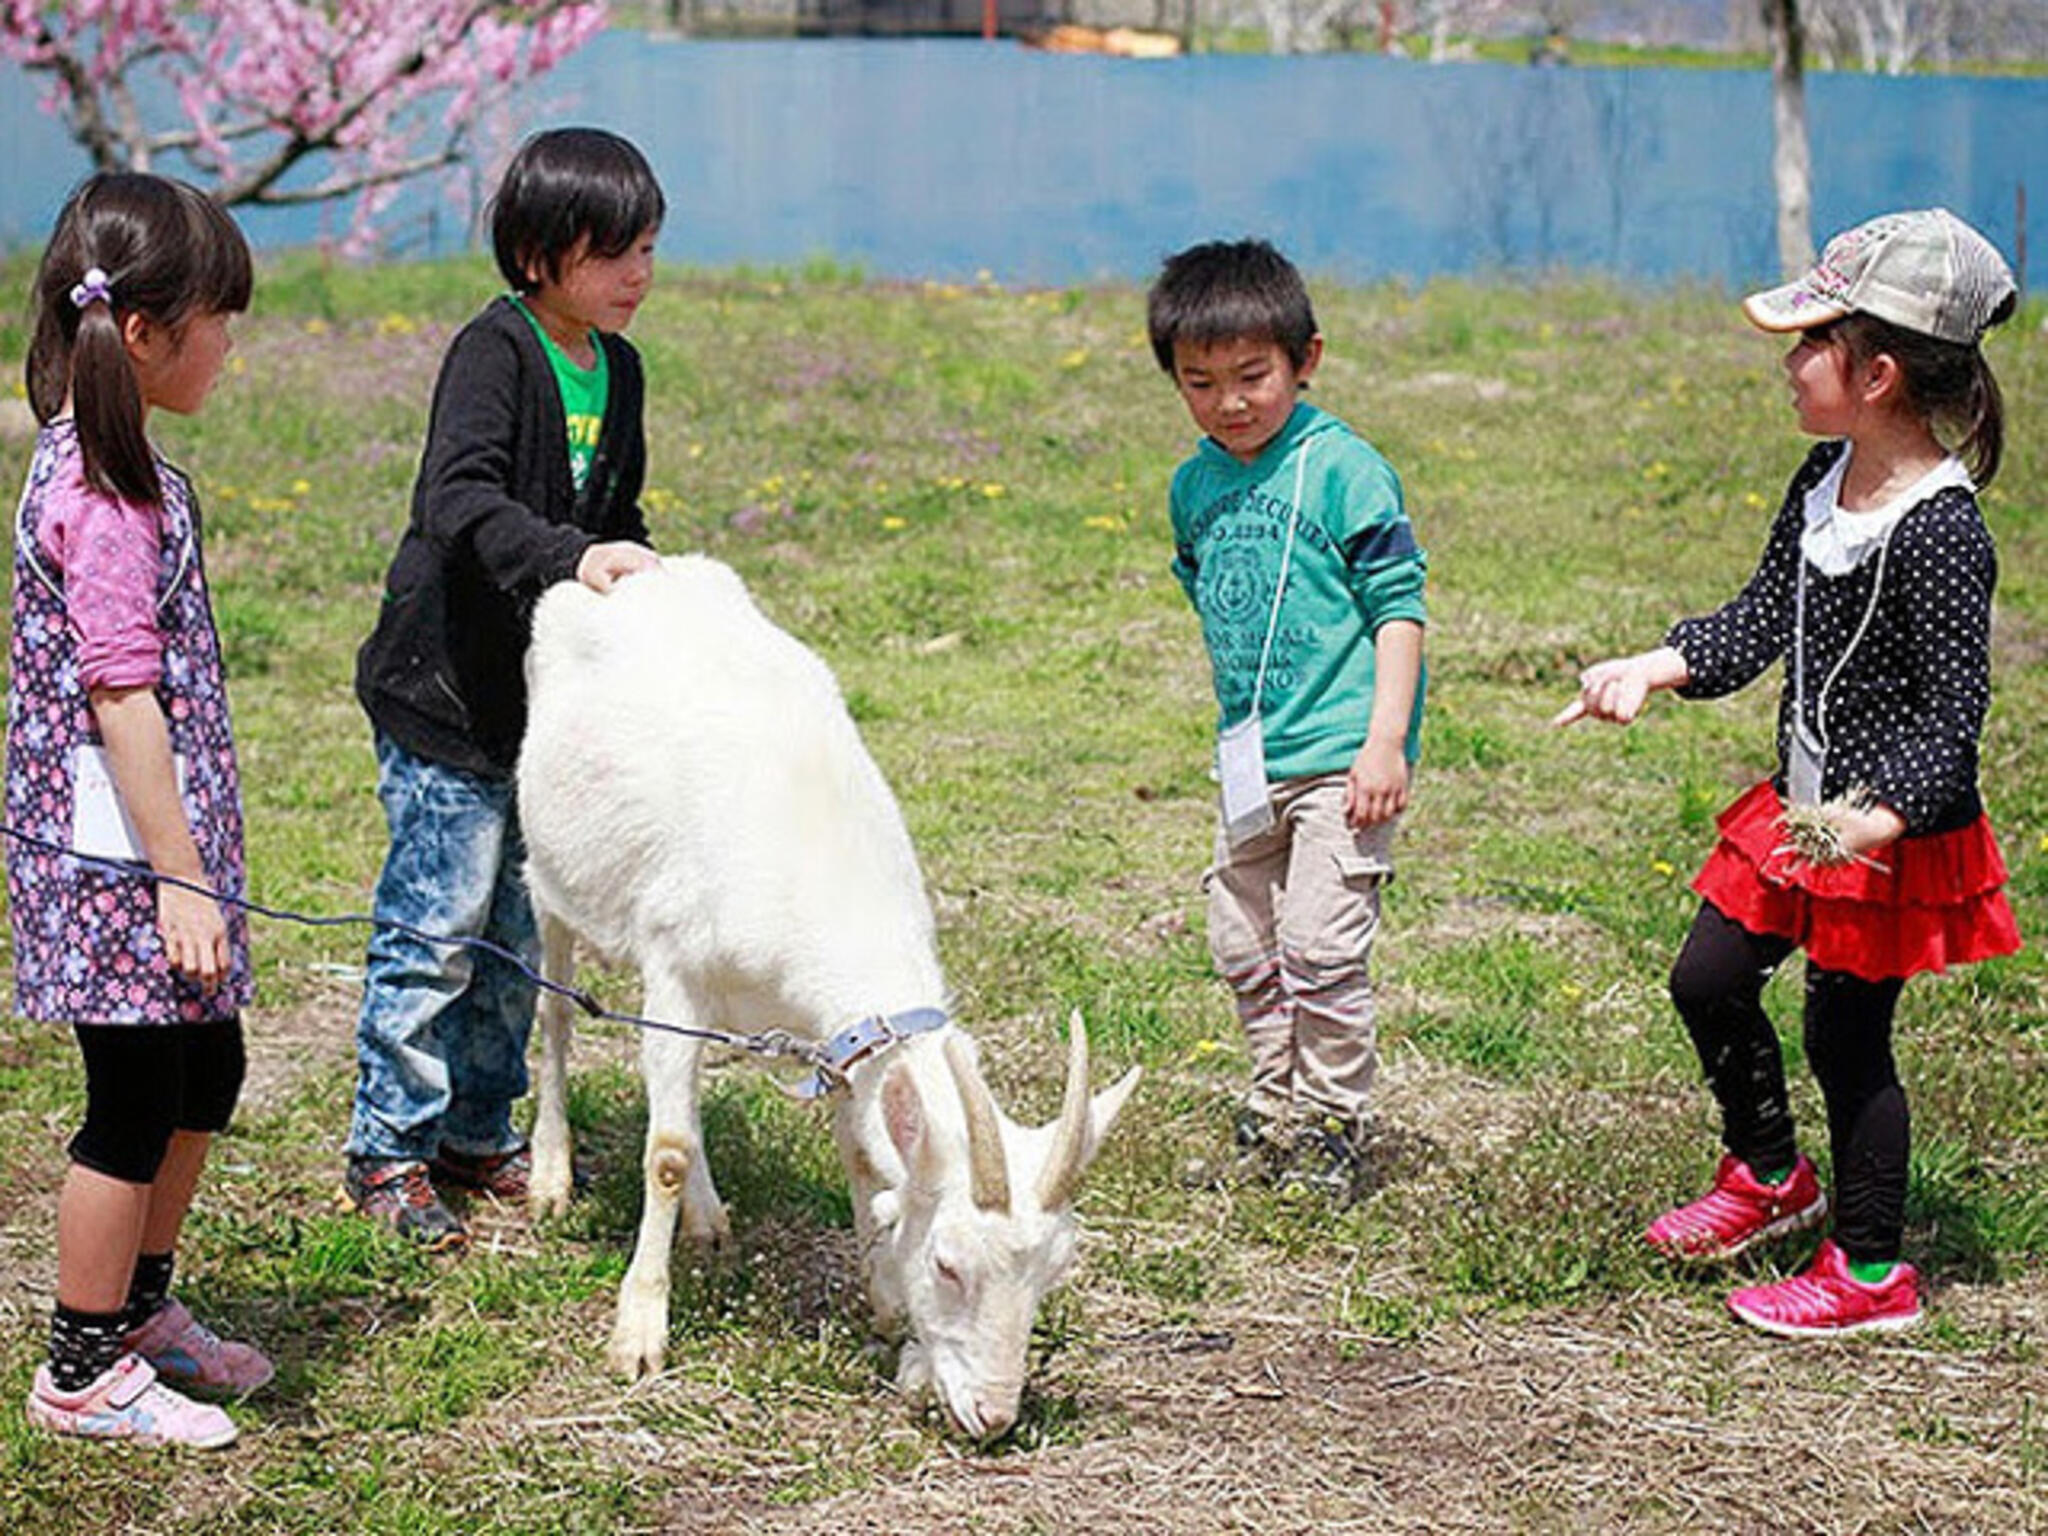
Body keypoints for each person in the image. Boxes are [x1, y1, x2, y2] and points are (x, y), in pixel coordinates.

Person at [1555, 208, 2022, 1335]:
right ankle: (1767, 1173)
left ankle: (1868, 1274)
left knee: (1844, 1041)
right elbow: (1760, 616)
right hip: (1798, 812)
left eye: (1806, 341)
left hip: (1878, 834)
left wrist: (1876, 820)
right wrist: (1652, 666)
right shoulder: (1823, 478)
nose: (1785, 361)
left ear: (1873, 371)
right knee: (1705, 980)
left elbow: (1954, 715)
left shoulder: (1939, 530)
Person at [344, 127, 666, 1249]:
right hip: (446, 698)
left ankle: (478, 1130)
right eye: (613, 252)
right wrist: (568, 558)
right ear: (536, 253)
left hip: (542, 714)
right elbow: (456, 498)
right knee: (434, 924)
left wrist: (639, 572)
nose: (638, 275)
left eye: (648, 250)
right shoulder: (495, 351)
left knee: (516, 937)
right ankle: (388, 1145)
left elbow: (612, 513)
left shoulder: (617, 369)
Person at [8, 173, 268, 1448]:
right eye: (223, 316)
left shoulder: (126, 468)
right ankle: (77, 1367)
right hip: (121, 860)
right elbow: (120, 699)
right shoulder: (103, 490)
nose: (235, 342)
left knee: (202, 1064)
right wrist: (180, 876)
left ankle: (138, 1314)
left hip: (155, 848)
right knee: (131, 1093)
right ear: (148, 332)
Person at [1146, 238, 1428, 1200]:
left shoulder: (1344, 469)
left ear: (1306, 360)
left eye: (1253, 376)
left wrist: (1382, 740)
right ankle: (1271, 1112)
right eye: (1201, 382)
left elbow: (1399, 609)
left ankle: (1334, 1124)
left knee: (1318, 944)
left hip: (1342, 762)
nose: (1230, 402)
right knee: (1242, 942)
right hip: (1252, 766)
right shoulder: (1195, 486)